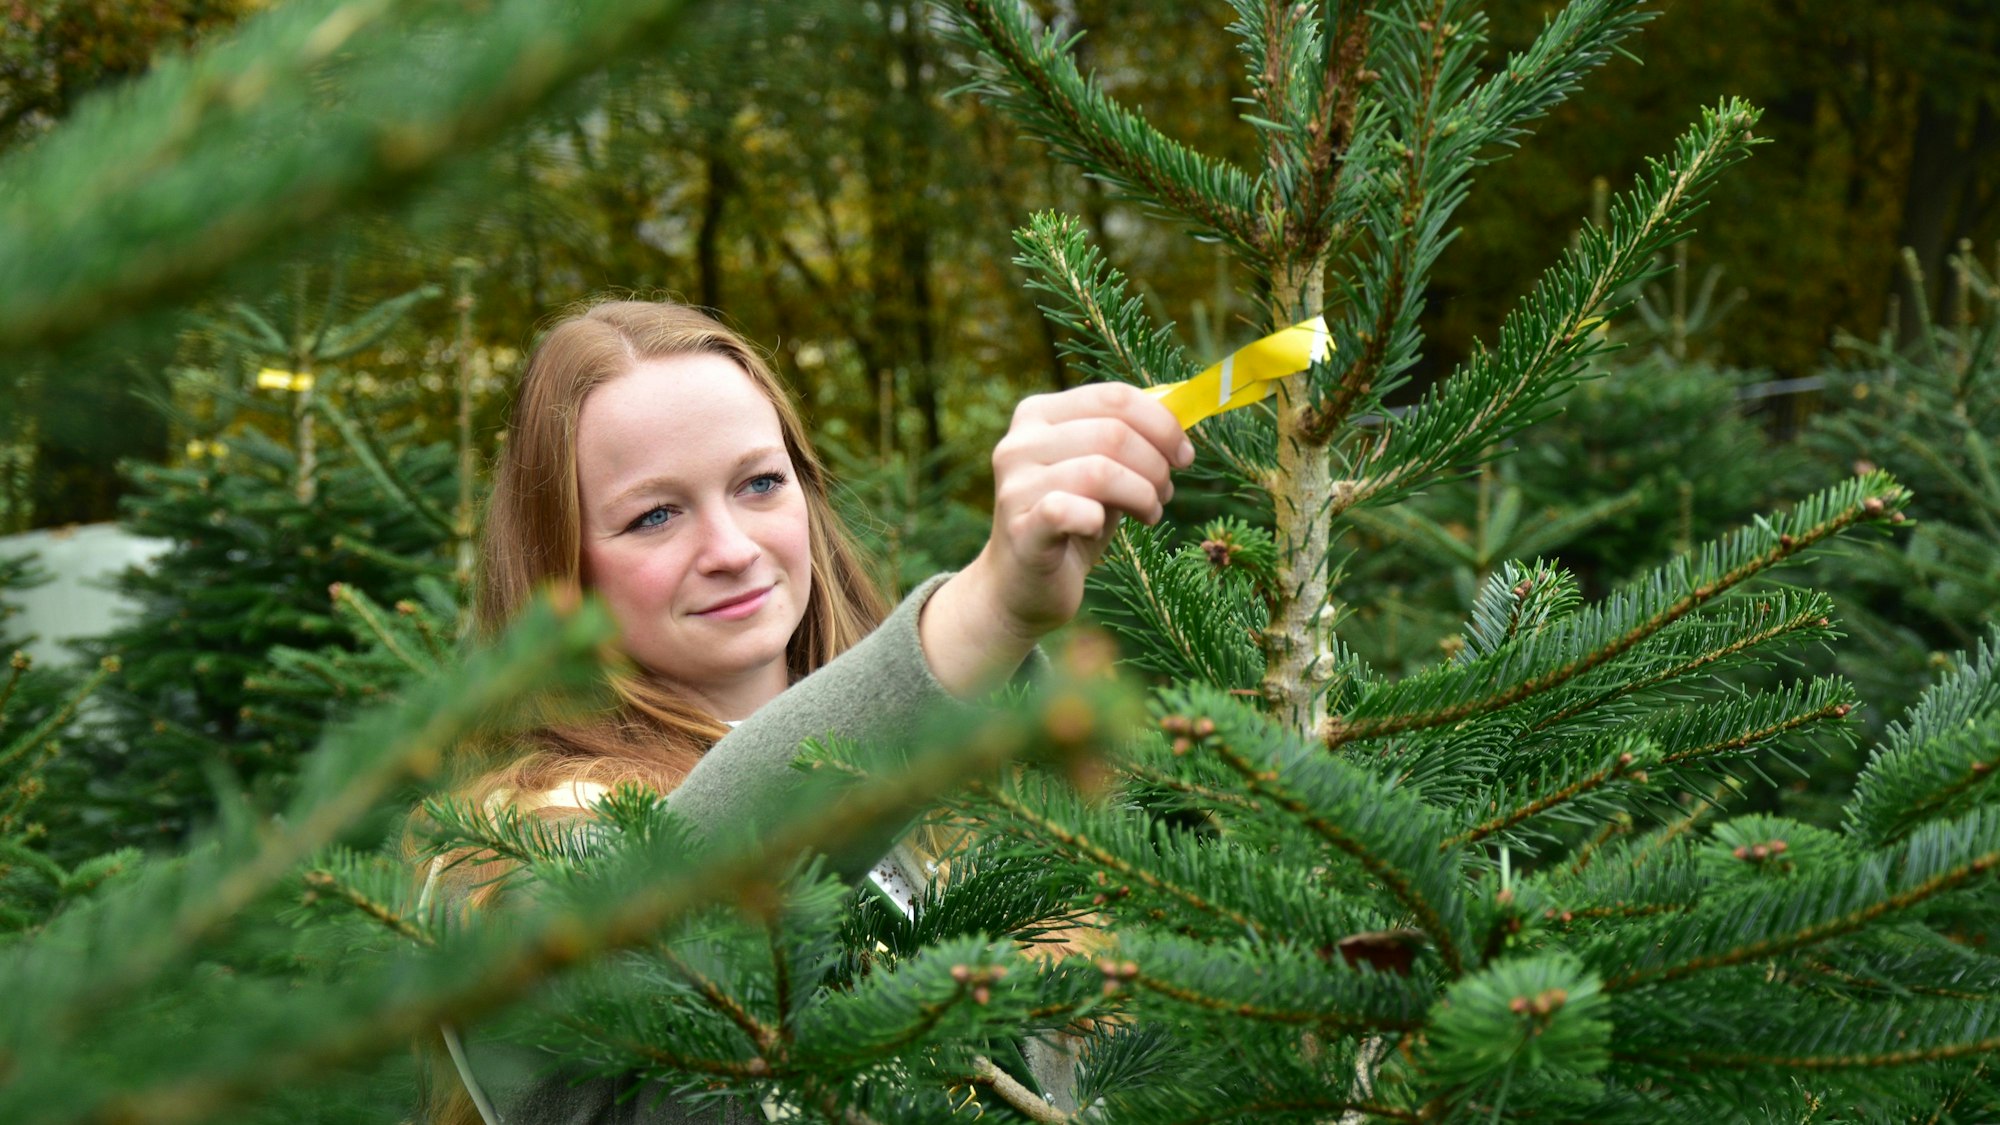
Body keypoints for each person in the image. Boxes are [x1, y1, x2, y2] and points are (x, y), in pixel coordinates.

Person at [417, 299, 1190, 1124]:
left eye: (759, 482)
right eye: (654, 514)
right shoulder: (506, 851)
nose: (731, 548)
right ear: (560, 575)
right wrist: (984, 614)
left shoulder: (951, 785)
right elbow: (668, 909)